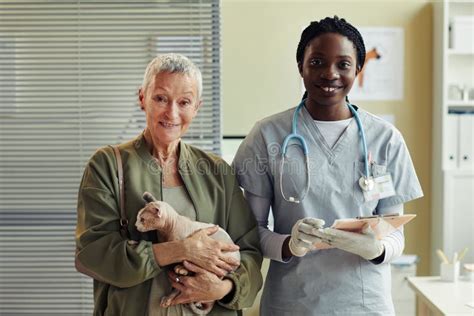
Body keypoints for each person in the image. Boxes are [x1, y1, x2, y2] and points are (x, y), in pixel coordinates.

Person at [232, 16, 423, 315]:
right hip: (292, 304)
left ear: (358, 69)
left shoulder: (385, 139)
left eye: (343, 64)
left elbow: (395, 232)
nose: (330, 73)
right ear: (301, 67)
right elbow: (250, 232)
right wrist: (289, 245)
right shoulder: (267, 135)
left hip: (364, 304)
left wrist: (377, 249)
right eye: (317, 62)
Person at [75, 53, 263, 315]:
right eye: (161, 98)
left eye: (184, 102)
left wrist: (222, 288)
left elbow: (250, 253)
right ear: (142, 98)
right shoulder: (107, 165)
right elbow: (93, 254)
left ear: (197, 107)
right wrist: (182, 249)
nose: (172, 113)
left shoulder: (217, 171)